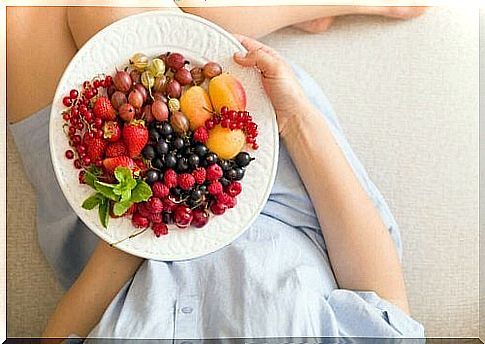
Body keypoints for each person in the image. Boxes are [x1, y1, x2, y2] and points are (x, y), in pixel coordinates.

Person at [7, 4, 426, 339]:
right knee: (101, 8)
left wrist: (141, 222)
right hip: (260, 194)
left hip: (115, 232)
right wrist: (296, 118)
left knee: (21, 15)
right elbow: (382, 299)